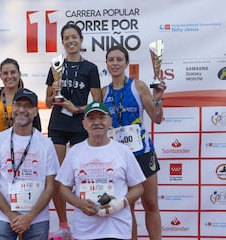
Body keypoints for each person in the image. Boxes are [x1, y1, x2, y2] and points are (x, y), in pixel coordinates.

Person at [102, 45, 166, 240]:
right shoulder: (104, 91)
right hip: (118, 156)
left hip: (142, 152)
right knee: (125, 206)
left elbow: (156, 118)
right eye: (111, 60)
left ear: (126, 63)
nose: (115, 63)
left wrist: (157, 100)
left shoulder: (138, 86)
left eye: (119, 59)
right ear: (106, 63)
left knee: (151, 203)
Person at [56, 101, 146, 240]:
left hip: (117, 230)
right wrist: (80, 204)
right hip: (85, 231)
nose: (97, 122)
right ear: (84, 124)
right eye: (91, 119)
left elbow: (138, 188)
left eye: (102, 118)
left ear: (110, 121)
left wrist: (121, 203)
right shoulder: (75, 152)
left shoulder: (123, 151)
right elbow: (63, 189)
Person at [45, 22, 102, 237]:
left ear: (80, 40)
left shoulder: (90, 68)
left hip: (80, 126)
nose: (71, 41)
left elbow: (98, 103)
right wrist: (55, 93)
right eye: (67, 38)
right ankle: (63, 223)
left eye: (74, 37)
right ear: (62, 42)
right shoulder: (56, 65)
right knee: (59, 177)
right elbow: (48, 101)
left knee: (81, 175)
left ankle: (84, 218)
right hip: (58, 125)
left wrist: (76, 108)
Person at [0, 88, 59, 240]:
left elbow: (51, 186)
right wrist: (11, 215)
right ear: (13, 107)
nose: (22, 110)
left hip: (37, 219)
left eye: (28, 106)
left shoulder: (46, 144)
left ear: (36, 111)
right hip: (3, 217)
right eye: (18, 105)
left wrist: (29, 217)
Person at [0, 58, 41, 142]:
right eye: (5, 73)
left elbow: (37, 127)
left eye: (13, 72)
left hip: (23, 148)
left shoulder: (28, 97)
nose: (9, 76)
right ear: (1, 76)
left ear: (19, 74)